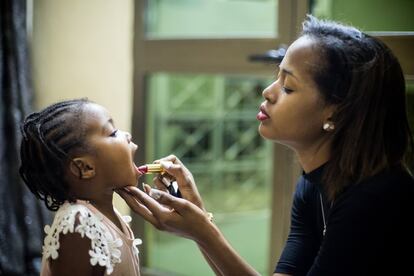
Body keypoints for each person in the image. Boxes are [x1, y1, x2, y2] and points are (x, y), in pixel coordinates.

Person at [117, 15, 414, 276]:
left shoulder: (376, 197)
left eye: (288, 87)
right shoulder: (313, 186)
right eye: (277, 78)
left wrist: (203, 231)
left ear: (335, 110)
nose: (268, 92)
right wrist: (199, 222)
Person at [19, 98, 144, 276]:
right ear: (85, 168)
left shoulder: (108, 214)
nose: (127, 135)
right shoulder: (78, 223)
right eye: (113, 133)